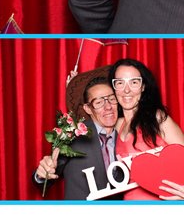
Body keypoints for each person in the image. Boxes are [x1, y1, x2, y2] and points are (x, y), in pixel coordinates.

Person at [108, 58, 184, 200]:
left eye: (134, 82)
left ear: (143, 87)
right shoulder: (115, 124)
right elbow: (87, 115)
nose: (126, 90)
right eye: (120, 83)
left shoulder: (156, 118)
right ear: (113, 88)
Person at [33, 69, 123, 200]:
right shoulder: (73, 136)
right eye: (99, 102)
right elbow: (45, 181)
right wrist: (41, 175)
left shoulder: (128, 134)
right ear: (88, 109)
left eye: (111, 99)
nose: (108, 106)